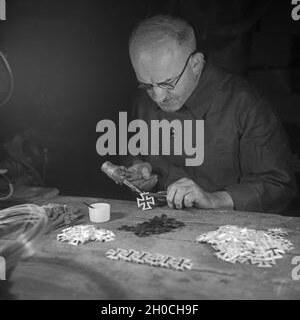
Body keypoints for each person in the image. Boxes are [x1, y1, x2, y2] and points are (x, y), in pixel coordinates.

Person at [124, 15, 297, 214]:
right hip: (160, 225)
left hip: (229, 233)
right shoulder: (142, 102)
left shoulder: (245, 105)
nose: (158, 96)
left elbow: (279, 186)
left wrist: (215, 199)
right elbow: (133, 161)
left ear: (196, 64)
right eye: (146, 84)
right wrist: (139, 175)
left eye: (167, 83)